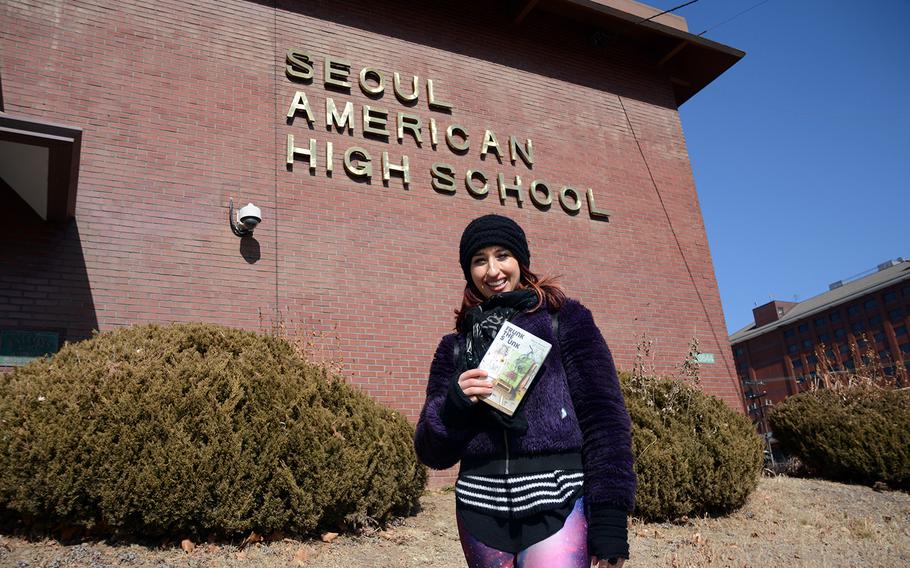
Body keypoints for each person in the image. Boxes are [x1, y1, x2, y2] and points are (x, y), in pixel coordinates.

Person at [414, 214, 636, 568]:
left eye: (502, 255)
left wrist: (610, 518)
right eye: (479, 260)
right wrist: (454, 406)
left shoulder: (564, 320)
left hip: (559, 505)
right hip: (478, 513)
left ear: (521, 260)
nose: (492, 270)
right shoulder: (454, 347)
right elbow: (431, 452)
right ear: (468, 271)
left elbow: (604, 419)